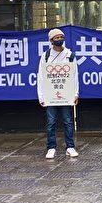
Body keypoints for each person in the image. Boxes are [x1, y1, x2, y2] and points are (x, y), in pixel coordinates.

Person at [37, 28, 79, 159]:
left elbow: (74, 75)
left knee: (67, 121)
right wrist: (41, 96)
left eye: (61, 37)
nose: (60, 39)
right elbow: (41, 76)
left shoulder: (70, 55)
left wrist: (75, 94)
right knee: (51, 122)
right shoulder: (46, 56)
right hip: (51, 96)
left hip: (66, 95)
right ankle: (51, 148)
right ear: (51, 40)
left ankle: (70, 147)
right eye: (57, 38)